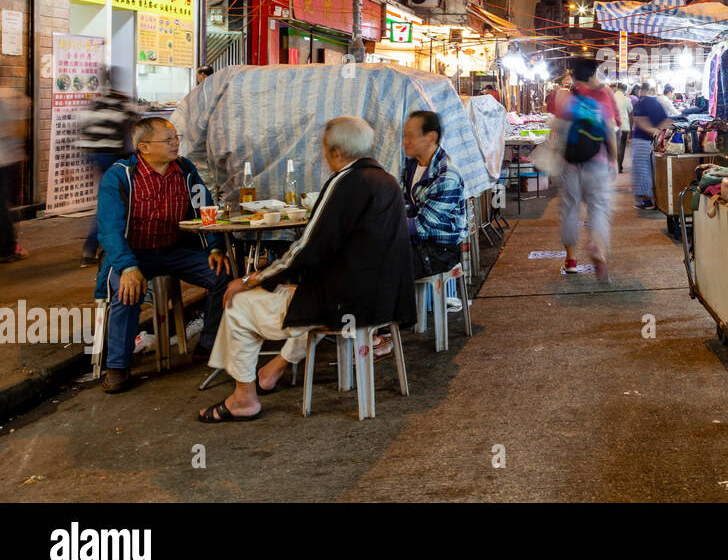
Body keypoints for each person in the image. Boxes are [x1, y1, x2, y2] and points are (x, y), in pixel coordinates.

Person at [199, 116, 415, 421]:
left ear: (338, 152)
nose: (322, 156)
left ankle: (243, 399)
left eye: (324, 150)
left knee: (239, 303)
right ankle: (272, 371)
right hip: (385, 300)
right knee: (297, 292)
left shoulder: (344, 182)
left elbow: (306, 249)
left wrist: (251, 279)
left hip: (345, 304)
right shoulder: (387, 180)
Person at [96, 117, 231, 394]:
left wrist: (216, 246)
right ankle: (118, 366)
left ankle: (207, 345)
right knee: (127, 290)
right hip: (133, 254)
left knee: (223, 274)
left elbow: (206, 209)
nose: (175, 143)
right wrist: (128, 266)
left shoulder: (185, 170)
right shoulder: (119, 176)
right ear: (144, 147)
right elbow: (109, 229)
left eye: (176, 138)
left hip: (174, 251)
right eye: (168, 140)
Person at [552, 57, 617, 281]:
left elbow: (557, 131)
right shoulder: (603, 95)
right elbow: (609, 130)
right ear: (591, 75)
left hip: (570, 163)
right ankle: (597, 247)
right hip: (597, 162)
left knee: (570, 209)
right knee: (598, 207)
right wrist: (614, 160)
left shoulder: (566, 97)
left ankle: (570, 261)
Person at [402, 110, 468, 328]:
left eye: (410, 136)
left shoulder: (447, 175)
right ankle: (382, 326)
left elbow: (422, 225)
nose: (405, 141)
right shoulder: (411, 167)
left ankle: (383, 329)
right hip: (418, 244)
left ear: (430, 136)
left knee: (379, 263)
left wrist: (385, 226)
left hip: (441, 251)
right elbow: (404, 207)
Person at [76, 71, 137, 266]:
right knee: (114, 201)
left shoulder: (96, 104)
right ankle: (96, 247)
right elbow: (131, 134)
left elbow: (83, 130)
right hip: (113, 156)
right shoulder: (123, 104)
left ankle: (95, 247)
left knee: (109, 198)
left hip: (94, 155)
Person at [630, 81, 673, 210]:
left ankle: (648, 201)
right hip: (653, 142)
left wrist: (653, 131)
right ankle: (656, 200)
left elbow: (639, 121)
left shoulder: (641, 102)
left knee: (643, 171)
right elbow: (667, 120)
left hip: (642, 141)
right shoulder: (655, 102)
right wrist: (658, 133)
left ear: (641, 90)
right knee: (652, 170)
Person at [0, 87, 28, 264]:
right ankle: (7, 249)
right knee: (4, 205)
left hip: (8, 158)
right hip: (8, 160)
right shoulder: (13, 97)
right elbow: (20, 131)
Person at [611, 82, 634, 173]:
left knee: (613, 146)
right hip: (623, 126)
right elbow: (630, 110)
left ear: (617, 88)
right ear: (625, 90)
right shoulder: (626, 99)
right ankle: (619, 166)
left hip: (612, 125)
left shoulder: (611, 98)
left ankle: (613, 167)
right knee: (622, 146)